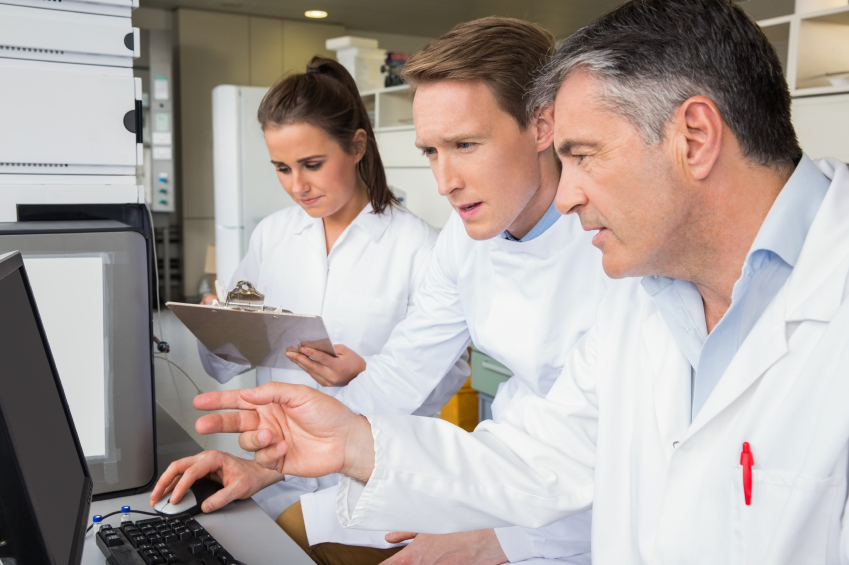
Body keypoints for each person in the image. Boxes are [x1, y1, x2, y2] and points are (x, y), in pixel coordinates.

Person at [185, 0, 849, 563]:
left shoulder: (636, 266)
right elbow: (545, 448)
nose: (569, 194)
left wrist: (497, 541)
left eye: (581, 154)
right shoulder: (650, 292)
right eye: (431, 151)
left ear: (694, 138)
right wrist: (342, 443)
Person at [153, 17, 608, 565]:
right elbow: (401, 372)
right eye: (431, 152)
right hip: (502, 474)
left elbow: (601, 454)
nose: (445, 182)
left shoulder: (612, 250)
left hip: (581, 514)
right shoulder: (464, 241)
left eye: (465, 144)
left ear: (542, 125)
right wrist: (275, 461)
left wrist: (505, 540)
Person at [189, 56, 470, 523]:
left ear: (357, 146)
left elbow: (447, 374)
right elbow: (224, 364)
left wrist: (365, 373)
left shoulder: (418, 246)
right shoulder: (272, 236)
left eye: (312, 165)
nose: (297, 186)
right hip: (275, 470)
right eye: (282, 168)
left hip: (372, 483)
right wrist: (218, 326)